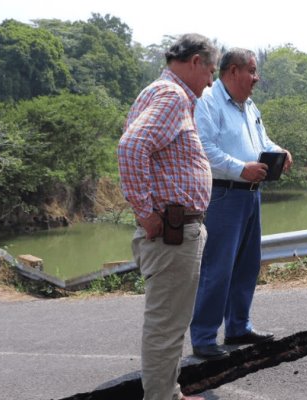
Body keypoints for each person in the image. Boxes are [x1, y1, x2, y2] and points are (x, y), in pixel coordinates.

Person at [116, 33, 218, 400]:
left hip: (176, 228)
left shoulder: (163, 92)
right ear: (195, 62)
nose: (210, 82)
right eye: (210, 71)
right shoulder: (173, 95)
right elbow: (131, 147)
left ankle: (167, 393)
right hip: (172, 231)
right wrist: (146, 213)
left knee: (170, 323)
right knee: (166, 325)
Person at [189, 48, 292, 360]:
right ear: (232, 71)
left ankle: (238, 326)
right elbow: (204, 148)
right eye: (251, 70)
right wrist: (240, 168)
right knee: (218, 267)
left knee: (247, 265)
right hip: (223, 193)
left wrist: (280, 151)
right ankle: (205, 336)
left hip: (250, 193)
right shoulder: (208, 101)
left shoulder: (248, 106)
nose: (256, 77)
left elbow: (262, 142)